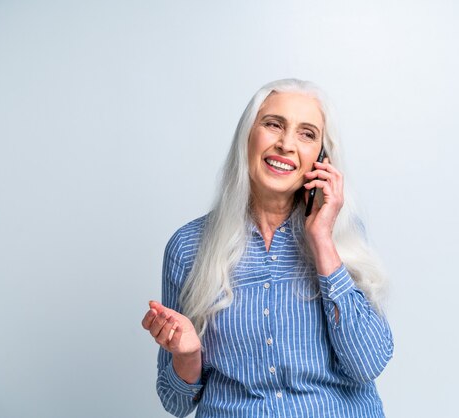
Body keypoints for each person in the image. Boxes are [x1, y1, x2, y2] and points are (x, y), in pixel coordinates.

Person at [141, 78, 393, 417]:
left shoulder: (343, 237)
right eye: (274, 124)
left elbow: (369, 363)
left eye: (306, 134)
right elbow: (176, 402)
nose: (286, 144)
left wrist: (321, 239)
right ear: (248, 136)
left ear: (322, 159)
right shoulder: (188, 248)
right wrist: (187, 354)